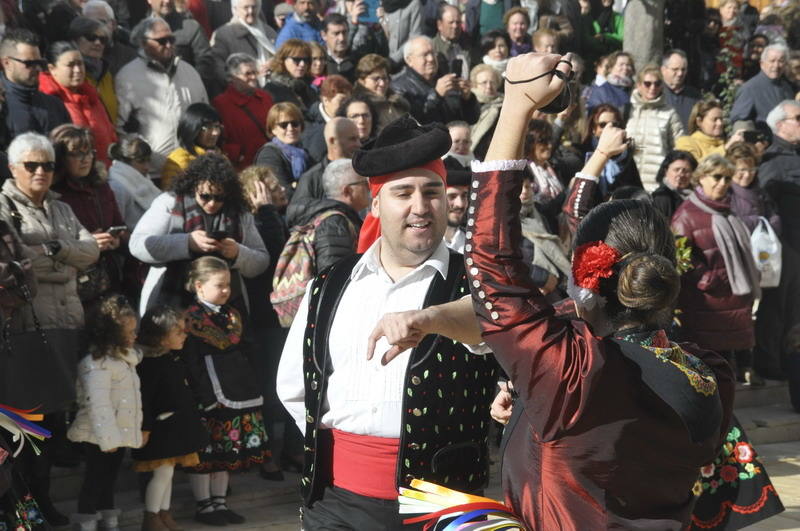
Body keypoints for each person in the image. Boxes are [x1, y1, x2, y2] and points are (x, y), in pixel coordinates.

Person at [375, 52, 734, 529]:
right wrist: (525, 401)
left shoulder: (575, 371)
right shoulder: (709, 372)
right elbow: (534, 316)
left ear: (585, 274)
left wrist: (518, 105)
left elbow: (494, 266)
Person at [276, 115, 497, 528]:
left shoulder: (479, 281)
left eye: (433, 192)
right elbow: (294, 386)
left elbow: (489, 325)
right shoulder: (330, 284)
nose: (420, 207)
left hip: (444, 502)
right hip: (336, 500)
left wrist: (432, 318)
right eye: (403, 193)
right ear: (375, 202)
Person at [0, 132, 100, 527]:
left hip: (66, 325)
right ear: (13, 168)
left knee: (53, 424)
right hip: (24, 330)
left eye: (48, 165)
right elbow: (17, 267)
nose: (42, 171)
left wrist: (54, 251)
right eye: (32, 165)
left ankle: (43, 501)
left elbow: (90, 251)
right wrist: (65, 259)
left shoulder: (61, 208)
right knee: (27, 428)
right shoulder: (4, 207)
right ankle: (28, 506)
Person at [180, 256, 268, 526]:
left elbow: (247, 350)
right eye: (220, 285)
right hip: (207, 393)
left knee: (225, 451)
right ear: (199, 286)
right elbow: (190, 361)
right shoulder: (189, 319)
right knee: (206, 455)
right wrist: (202, 396)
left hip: (237, 388)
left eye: (228, 285)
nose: (226, 290)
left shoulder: (232, 314)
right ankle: (204, 506)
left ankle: (220, 502)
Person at [130, 152, 269, 314]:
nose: (212, 203)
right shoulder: (170, 203)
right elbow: (137, 244)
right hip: (172, 302)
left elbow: (262, 261)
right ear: (193, 186)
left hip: (228, 306)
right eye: (205, 196)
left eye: (219, 197)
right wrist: (186, 243)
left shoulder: (240, 212)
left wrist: (238, 253)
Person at [672, 154, 761, 384]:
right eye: (717, 177)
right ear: (701, 178)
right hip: (707, 303)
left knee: (727, 365)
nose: (722, 183)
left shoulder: (727, 210)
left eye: (727, 178)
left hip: (733, 297)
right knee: (715, 366)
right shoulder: (687, 214)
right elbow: (681, 259)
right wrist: (710, 278)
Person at [66, 296, 141, 531]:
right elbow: (99, 406)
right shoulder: (96, 364)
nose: (134, 336)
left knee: (109, 478)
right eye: (129, 332)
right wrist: (108, 439)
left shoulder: (125, 360)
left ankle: (108, 519)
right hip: (97, 435)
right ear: (110, 333)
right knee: (95, 479)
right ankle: (87, 518)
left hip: (115, 435)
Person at [132, 305, 208, 531]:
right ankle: (151, 515)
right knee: (162, 473)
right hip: (161, 429)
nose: (184, 335)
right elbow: (144, 399)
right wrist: (144, 428)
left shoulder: (172, 359)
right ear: (160, 337)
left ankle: (163, 513)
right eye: (178, 332)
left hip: (175, 428)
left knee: (168, 473)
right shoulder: (148, 365)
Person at [115, 17, 208, 177]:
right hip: (153, 173)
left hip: (194, 168)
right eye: (162, 41)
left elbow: (206, 115)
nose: (169, 45)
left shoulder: (190, 72)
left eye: (171, 39)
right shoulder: (127, 76)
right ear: (144, 43)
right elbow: (118, 127)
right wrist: (142, 156)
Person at [50, 124, 126, 303]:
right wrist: (87, 245)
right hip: (75, 284)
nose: (85, 159)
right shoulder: (54, 194)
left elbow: (121, 226)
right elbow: (51, 246)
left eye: (89, 152)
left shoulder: (102, 187)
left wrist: (116, 239)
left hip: (110, 273)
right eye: (76, 153)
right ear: (61, 157)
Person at [39, 41, 118, 167]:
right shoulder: (47, 101)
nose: (78, 70)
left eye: (80, 64)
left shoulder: (92, 96)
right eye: (70, 65)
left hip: (105, 171)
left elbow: (110, 133)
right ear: (52, 69)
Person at [392, 36, 480, 126]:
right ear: (409, 60)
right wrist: (436, 95)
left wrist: (467, 99)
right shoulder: (399, 87)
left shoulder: (445, 78)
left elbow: (471, 119)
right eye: (424, 55)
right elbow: (415, 124)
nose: (431, 59)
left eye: (433, 53)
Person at [0, 29, 71, 139]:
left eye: (39, 63)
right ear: (7, 63)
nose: (37, 68)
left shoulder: (54, 104)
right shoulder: (3, 106)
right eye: (29, 63)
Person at [288, 117, 360, 223]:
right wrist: (336, 206)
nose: (359, 144)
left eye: (359, 139)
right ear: (332, 141)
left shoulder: (363, 170)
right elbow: (294, 213)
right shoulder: (313, 177)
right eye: (352, 139)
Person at [625, 64, 685, 191]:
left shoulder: (670, 113)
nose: (653, 88)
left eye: (657, 84)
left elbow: (679, 148)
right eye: (647, 83)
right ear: (639, 85)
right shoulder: (627, 110)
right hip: (628, 180)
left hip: (657, 183)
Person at [212, 53, 274, 170]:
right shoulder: (221, 104)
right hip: (244, 167)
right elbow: (218, 139)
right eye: (248, 74)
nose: (253, 77)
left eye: (255, 72)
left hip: (270, 161)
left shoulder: (265, 97)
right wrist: (238, 154)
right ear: (232, 78)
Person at [145, 0, 215, 93]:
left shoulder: (191, 27)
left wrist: (191, 91)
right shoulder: (140, 30)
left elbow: (206, 66)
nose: (167, 1)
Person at [575, 103, 642, 200]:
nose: (608, 129)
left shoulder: (626, 157)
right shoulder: (582, 154)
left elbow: (638, 191)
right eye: (602, 125)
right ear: (593, 128)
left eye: (614, 124)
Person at [759, 99, 800, 253]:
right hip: (792, 247)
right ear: (780, 125)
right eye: (798, 118)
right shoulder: (772, 161)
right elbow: (763, 205)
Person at [210, 0, 276, 87]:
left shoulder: (269, 32)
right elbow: (218, 68)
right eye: (246, 7)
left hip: (271, 89)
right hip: (239, 92)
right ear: (235, 9)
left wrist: (274, 64)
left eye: (254, 7)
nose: (250, 11)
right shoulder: (222, 35)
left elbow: (281, 57)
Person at [254, 102, 311, 199]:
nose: (290, 128)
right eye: (283, 125)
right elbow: (283, 193)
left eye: (295, 123)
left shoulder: (303, 151)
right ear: (273, 129)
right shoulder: (269, 155)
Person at [68, 16, 118, 125]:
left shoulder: (106, 73)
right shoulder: (70, 73)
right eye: (91, 37)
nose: (98, 43)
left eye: (103, 39)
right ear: (75, 40)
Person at [161, 103, 224, 188]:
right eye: (208, 127)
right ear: (193, 128)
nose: (215, 133)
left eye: (217, 126)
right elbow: (172, 195)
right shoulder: (179, 159)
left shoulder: (220, 156)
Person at [730, 44, 795, 123]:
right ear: (762, 64)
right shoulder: (750, 88)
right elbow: (739, 119)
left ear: (785, 65)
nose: (776, 65)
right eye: (772, 61)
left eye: (781, 61)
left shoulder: (787, 87)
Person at [107, 134, 161, 229]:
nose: (147, 167)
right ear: (125, 160)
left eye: (148, 161)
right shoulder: (116, 185)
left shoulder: (142, 177)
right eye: (141, 161)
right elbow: (118, 225)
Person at [352, 54, 410, 131]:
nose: (382, 83)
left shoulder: (397, 102)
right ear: (362, 81)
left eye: (384, 78)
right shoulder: (360, 107)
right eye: (376, 79)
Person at [303, 75, 353, 163]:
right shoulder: (309, 124)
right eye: (342, 101)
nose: (346, 105)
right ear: (325, 100)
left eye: (348, 101)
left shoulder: (349, 121)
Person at [675, 99, 743, 162]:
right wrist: (725, 148)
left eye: (721, 119)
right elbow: (694, 166)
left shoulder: (726, 142)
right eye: (714, 119)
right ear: (699, 121)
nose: (720, 123)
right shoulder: (686, 142)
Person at [264, 39, 318, 112]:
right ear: (283, 60)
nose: (302, 64)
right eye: (296, 59)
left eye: (306, 60)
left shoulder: (308, 87)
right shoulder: (272, 90)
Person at [661, 49, 703, 130]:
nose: (680, 73)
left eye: (683, 69)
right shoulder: (655, 94)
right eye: (675, 69)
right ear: (663, 70)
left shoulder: (695, 96)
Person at [469, 64, 503, 160]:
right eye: (484, 82)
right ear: (475, 84)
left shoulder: (503, 106)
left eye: (493, 83)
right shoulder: (467, 103)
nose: (489, 86)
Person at [651, 150, 697, 220]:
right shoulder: (661, 197)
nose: (680, 175)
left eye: (686, 171)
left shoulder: (696, 198)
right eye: (676, 170)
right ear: (666, 171)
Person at [586, 50, 634, 116]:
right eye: (621, 64)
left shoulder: (638, 89)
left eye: (628, 65)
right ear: (611, 68)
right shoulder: (601, 91)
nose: (625, 68)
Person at [432, 4, 469, 77]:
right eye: (451, 22)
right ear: (439, 25)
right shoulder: (432, 49)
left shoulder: (469, 45)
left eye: (458, 22)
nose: (455, 26)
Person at [442, 156, 469, 253]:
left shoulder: (475, 242)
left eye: (464, 196)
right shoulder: (423, 245)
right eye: (452, 196)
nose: (460, 204)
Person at [321, 13, 356, 82]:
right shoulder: (319, 60)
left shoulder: (357, 60)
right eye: (336, 33)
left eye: (344, 32)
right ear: (324, 35)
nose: (341, 38)